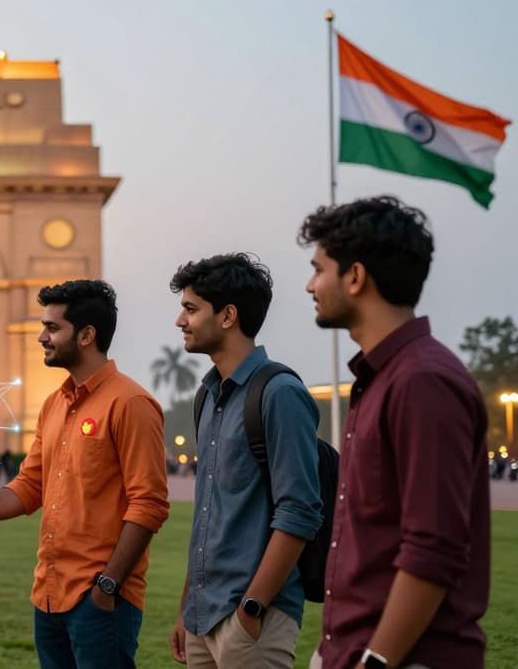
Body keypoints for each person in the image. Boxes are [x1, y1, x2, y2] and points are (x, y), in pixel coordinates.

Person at [0, 279, 170, 669]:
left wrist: (108, 585)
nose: (41, 336)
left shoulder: (131, 403)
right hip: (49, 594)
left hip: (100, 598)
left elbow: (150, 505)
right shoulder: (54, 404)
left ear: (87, 335)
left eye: (53, 327)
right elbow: (29, 487)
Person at [300, 197, 489, 669]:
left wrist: (377, 660)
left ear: (356, 277)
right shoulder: (383, 378)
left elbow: (434, 548)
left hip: (408, 656)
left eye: (319, 269)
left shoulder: (422, 381)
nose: (310, 284)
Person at [166, 254, 323, 667]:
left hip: (254, 619)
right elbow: (207, 514)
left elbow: (300, 511)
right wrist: (187, 607)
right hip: (203, 617)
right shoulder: (209, 396)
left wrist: (252, 610)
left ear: (227, 316)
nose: (180, 321)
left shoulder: (279, 393)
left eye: (190, 308)